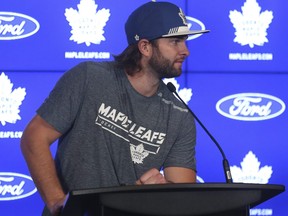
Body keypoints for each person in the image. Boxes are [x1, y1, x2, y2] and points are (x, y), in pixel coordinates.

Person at [20, 1, 209, 215]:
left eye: (184, 41)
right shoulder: (89, 78)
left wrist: (162, 191)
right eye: (175, 41)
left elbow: (182, 195)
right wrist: (56, 202)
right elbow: (34, 137)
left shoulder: (179, 115)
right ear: (145, 47)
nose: (185, 51)